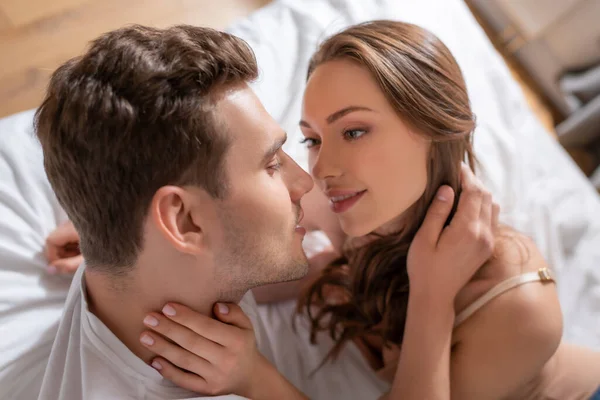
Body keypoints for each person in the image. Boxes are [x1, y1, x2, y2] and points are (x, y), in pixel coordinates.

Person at [135, 20, 600, 400]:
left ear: (436, 127)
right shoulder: (358, 198)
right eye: (314, 139)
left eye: (354, 132)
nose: (323, 169)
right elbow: (234, 219)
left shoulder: (518, 305)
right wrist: (133, 227)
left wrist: (253, 376)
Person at [35, 23, 495, 400]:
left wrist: (114, 215)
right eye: (272, 164)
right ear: (185, 221)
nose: (306, 180)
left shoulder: (137, 269)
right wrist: (258, 381)